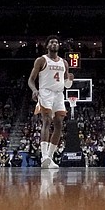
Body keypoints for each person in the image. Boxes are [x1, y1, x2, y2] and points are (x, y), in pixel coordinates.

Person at [27, 35, 74, 170]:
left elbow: (67, 84)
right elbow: (31, 80)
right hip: (45, 92)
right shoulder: (41, 60)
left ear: (59, 46)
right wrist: (34, 90)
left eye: (56, 42)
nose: (54, 44)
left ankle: (50, 157)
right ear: (47, 46)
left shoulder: (64, 63)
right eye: (51, 42)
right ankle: (44, 156)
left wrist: (70, 80)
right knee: (47, 121)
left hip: (59, 94)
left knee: (59, 124)